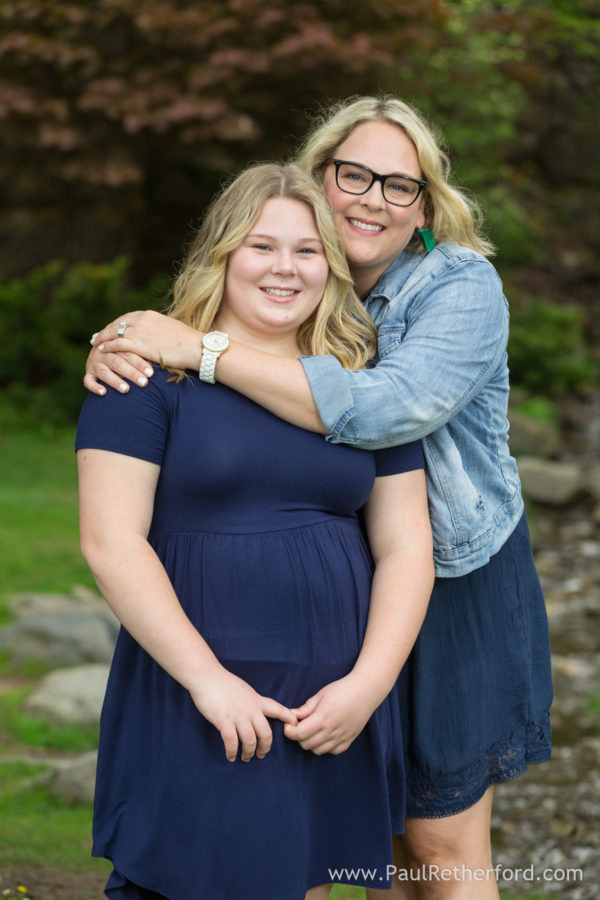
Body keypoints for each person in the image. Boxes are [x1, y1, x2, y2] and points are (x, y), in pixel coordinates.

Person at [85, 95, 553, 899]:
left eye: (399, 186)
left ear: (425, 206)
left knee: (437, 845)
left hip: (455, 576)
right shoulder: (252, 336)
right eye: (355, 175)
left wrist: (197, 344)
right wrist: (142, 342)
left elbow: (382, 415)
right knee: (374, 856)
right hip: (252, 651)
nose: (374, 198)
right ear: (319, 179)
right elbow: (113, 526)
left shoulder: (451, 294)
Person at [77, 161, 433, 900]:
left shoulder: (364, 385)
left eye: (307, 250)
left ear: (331, 267)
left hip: (331, 705)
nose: (285, 269)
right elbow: (111, 541)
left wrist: (367, 687)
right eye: (262, 246)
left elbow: (406, 548)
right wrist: (211, 683)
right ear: (223, 254)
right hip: (201, 690)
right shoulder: (144, 374)